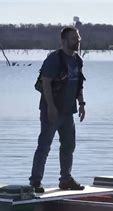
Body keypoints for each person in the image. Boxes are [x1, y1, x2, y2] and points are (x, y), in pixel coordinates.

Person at [29, 26, 86, 193]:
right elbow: (46, 82)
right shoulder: (54, 59)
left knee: (69, 146)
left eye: (78, 37)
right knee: (44, 145)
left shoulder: (77, 60)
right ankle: (35, 182)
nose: (77, 41)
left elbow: (79, 84)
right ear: (64, 41)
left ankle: (66, 179)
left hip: (69, 111)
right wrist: (51, 107)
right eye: (74, 38)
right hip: (51, 111)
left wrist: (82, 104)